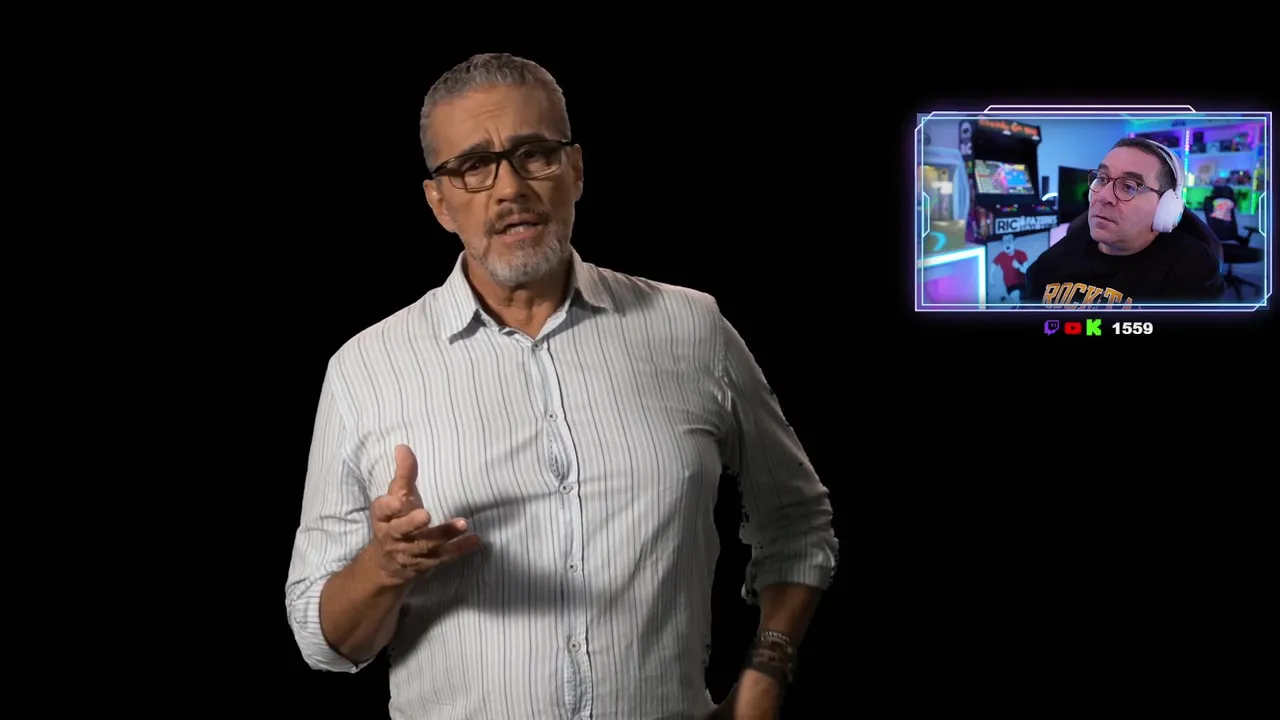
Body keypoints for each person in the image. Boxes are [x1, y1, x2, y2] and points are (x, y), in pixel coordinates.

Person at [284, 53, 839, 720]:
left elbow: (798, 523)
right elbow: (323, 641)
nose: (509, 188)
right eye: (473, 166)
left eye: (534, 154)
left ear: (575, 170)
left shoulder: (693, 328)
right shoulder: (363, 369)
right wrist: (385, 567)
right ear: (439, 202)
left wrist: (766, 671)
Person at [1025, 138, 1224, 308]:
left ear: (1166, 207)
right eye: (1102, 178)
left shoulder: (1190, 266)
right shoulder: (1056, 256)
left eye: (1129, 186)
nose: (1103, 196)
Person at [990, 234, 1028, 303]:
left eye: (1009, 241)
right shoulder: (1000, 256)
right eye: (1004, 241)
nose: (1007, 243)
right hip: (1010, 286)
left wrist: (1019, 266)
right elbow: (993, 265)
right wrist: (991, 279)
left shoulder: (1021, 254)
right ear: (1002, 244)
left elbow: (1027, 271)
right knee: (1016, 297)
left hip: (1023, 284)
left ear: (1014, 242)